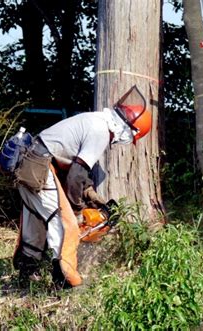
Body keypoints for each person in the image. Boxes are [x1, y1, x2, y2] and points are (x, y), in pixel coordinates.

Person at [13, 88, 152, 288]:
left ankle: (27, 275)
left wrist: (93, 198)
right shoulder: (101, 132)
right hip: (39, 167)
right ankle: (65, 280)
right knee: (65, 225)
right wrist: (77, 210)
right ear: (129, 131)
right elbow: (75, 176)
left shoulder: (94, 120)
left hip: (30, 162)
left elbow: (73, 168)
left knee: (35, 221)